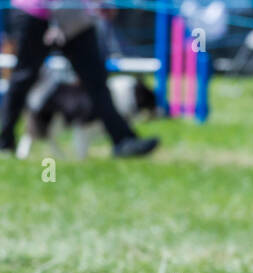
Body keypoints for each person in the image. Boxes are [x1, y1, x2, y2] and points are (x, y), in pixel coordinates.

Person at [0, 0, 158, 157]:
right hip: (36, 12)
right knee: (23, 79)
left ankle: (124, 141)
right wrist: (54, 21)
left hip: (73, 14)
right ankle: (5, 141)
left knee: (96, 79)